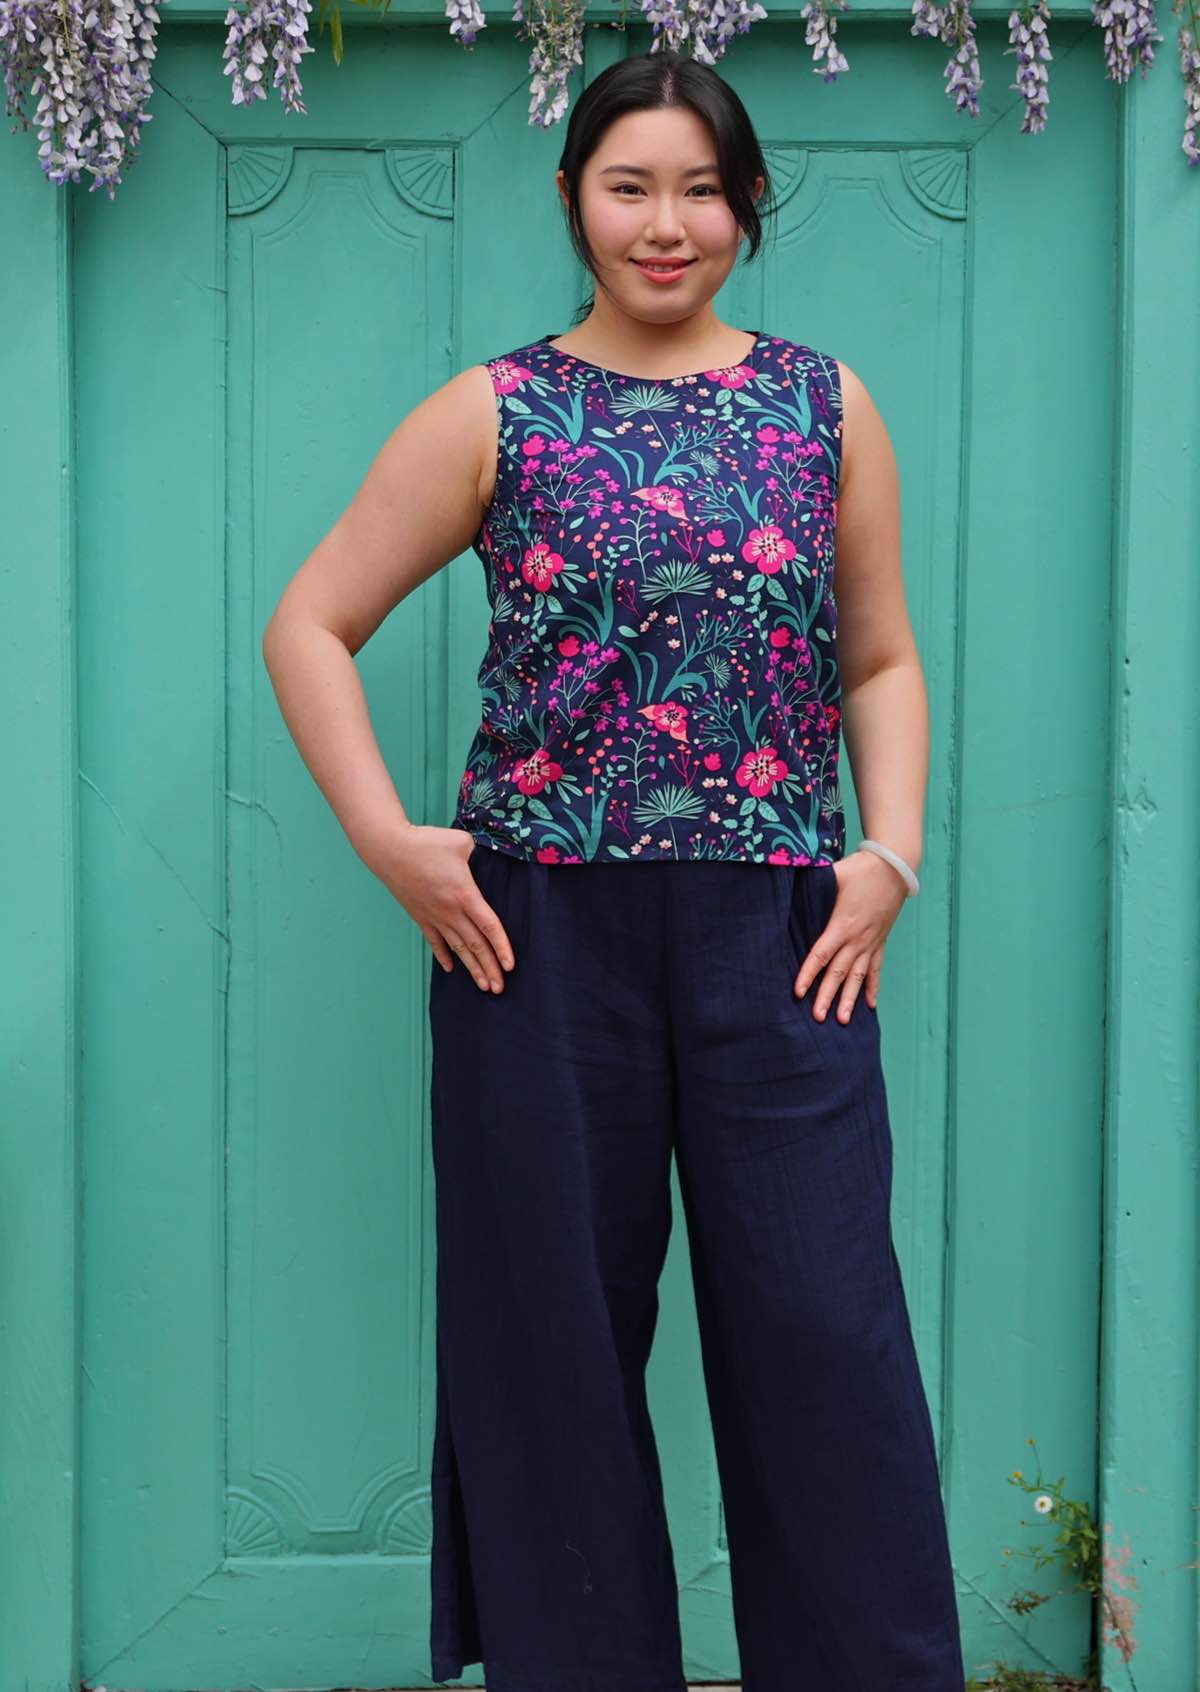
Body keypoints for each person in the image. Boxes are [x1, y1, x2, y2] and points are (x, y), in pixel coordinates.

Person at [262, 45, 965, 1692]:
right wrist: (389, 841)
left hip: (787, 937)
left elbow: (879, 659)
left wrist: (893, 853)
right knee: (552, 1354)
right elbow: (312, 624)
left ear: (749, 207)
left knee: (825, 1343)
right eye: (628, 186)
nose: (667, 225)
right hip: (537, 942)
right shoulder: (499, 411)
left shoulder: (821, 404)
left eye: (702, 190)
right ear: (573, 199)